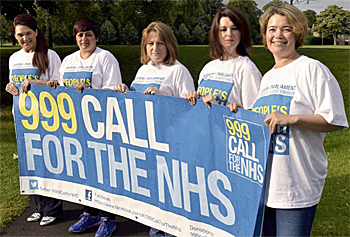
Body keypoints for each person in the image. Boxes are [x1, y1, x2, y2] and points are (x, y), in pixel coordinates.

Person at [229, 4, 348, 236]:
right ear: (265, 36)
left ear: (297, 33)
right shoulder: (269, 76)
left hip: (296, 184)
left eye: (286, 29)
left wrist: (293, 118)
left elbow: (334, 119)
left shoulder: (312, 69)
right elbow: (266, 118)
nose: (278, 35)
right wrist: (241, 111)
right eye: (272, 29)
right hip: (266, 184)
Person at [113, 21, 195, 237]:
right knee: (153, 201)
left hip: (171, 147)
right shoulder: (142, 70)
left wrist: (164, 99)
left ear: (169, 45)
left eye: (160, 43)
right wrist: (125, 90)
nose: (155, 48)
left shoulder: (178, 71)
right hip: (145, 144)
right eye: (150, 43)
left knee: (171, 203)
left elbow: (191, 111)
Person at [59, 18, 122, 237]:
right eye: (80, 35)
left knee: (103, 173)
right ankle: (90, 213)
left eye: (88, 34)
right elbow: (59, 89)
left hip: (99, 126)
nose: (84, 39)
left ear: (96, 37)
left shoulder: (105, 58)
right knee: (82, 172)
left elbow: (113, 90)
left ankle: (108, 218)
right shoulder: (67, 60)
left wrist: (89, 92)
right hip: (74, 126)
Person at [5, 14, 62, 226]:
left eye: (28, 33)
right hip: (23, 119)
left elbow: (58, 86)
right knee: (30, 164)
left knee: (47, 162)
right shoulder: (14, 58)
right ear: (15, 36)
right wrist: (10, 87)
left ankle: (53, 209)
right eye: (20, 35)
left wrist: (35, 81)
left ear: (36, 32)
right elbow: (14, 85)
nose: (25, 38)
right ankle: (38, 207)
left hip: (46, 118)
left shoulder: (50, 55)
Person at [184, 5, 261, 110]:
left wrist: (219, 108)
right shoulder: (208, 68)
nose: (229, 34)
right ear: (216, 34)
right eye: (223, 29)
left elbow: (254, 116)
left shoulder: (247, 69)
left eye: (234, 28)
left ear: (242, 32)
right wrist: (192, 98)